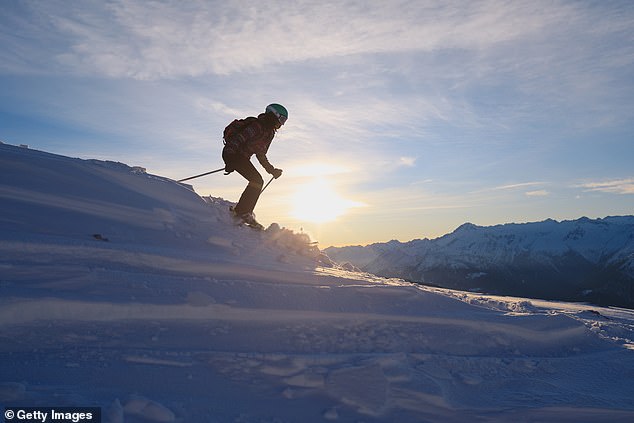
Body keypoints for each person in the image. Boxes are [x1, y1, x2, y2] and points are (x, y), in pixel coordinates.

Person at [222, 103, 288, 228]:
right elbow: (238, 139)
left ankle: (244, 211)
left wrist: (271, 170)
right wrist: (229, 158)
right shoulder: (257, 126)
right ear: (274, 115)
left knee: (257, 181)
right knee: (256, 180)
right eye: (282, 119)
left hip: (242, 157)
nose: (282, 123)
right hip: (233, 153)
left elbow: (261, 154)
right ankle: (242, 212)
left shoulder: (269, 133)